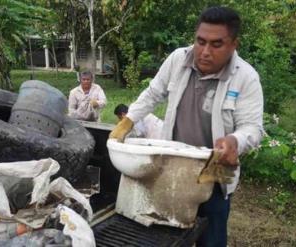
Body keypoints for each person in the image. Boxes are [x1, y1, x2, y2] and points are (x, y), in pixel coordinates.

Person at [110, 6, 263, 247]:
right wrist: (128, 121)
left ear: (234, 44)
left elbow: (252, 127)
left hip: (216, 167)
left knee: (211, 232)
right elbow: (153, 93)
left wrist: (235, 141)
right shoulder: (178, 59)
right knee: (167, 233)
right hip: (173, 163)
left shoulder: (246, 76)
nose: (204, 51)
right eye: (200, 41)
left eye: (216, 44)